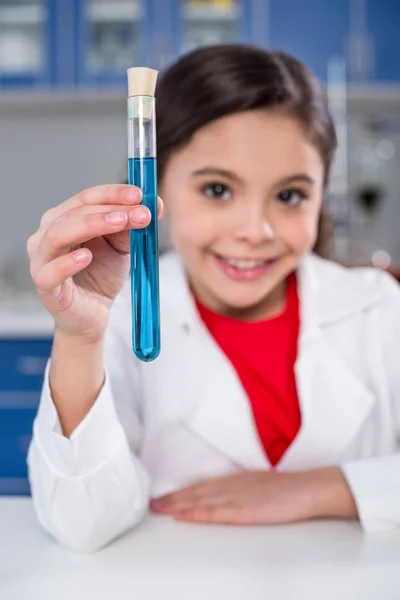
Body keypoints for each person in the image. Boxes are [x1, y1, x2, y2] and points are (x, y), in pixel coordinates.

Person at [27, 44, 400, 553]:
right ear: (155, 185)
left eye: (290, 195)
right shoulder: (119, 317)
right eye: (218, 190)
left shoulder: (378, 307)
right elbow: (81, 524)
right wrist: (78, 338)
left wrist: (325, 488)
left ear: (321, 196)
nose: (256, 230)